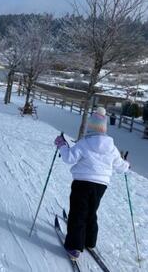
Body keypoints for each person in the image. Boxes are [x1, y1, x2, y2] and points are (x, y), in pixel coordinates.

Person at [54, 107, 130, 260]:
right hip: (101, 185)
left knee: (78, 212)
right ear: (104, 129)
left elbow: (69, 158)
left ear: (90, 127)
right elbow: (120, 166)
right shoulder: (112, 148)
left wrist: (62, 145)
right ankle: (89, 240)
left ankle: (74, 247)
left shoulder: (84, 143)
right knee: (91, 210)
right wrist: (127, 165)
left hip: (82, 182)